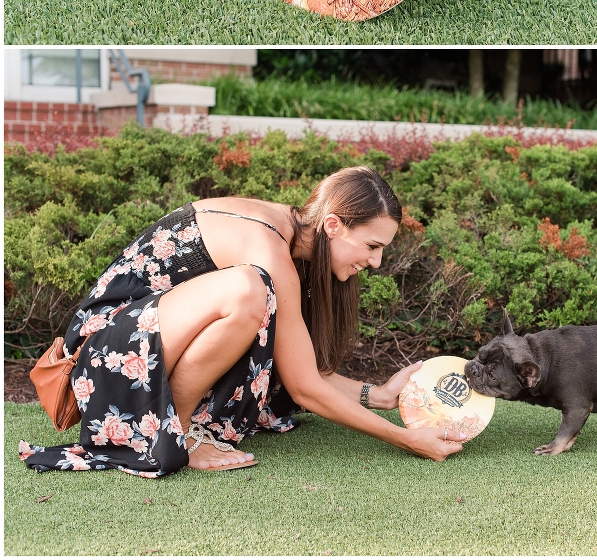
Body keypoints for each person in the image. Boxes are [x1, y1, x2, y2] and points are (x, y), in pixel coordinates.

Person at [20, 166, 465, 476]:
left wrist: (381, 396)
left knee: (256, 292)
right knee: (250, 291)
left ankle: (179, 421)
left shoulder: (289, 241)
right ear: (333, 225)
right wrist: (407, 440)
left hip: (143, 347)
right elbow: (305, 388)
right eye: (371, 246)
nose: (377, 261)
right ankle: (179, 433)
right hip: (106, 356)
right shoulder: (267, 247)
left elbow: (302, 369)